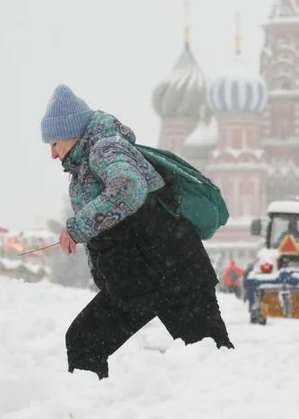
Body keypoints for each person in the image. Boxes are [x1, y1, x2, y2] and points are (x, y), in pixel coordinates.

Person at [42, 84, 234, 379]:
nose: (53, 154)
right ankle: (89, 401)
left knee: (210, 358)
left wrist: (78, 227)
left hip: (175, 275)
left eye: (54, 143)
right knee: (84, 341)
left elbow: (129, 187)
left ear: (71, 131)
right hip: (134, 280)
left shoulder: (105, 147)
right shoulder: (84, 163)